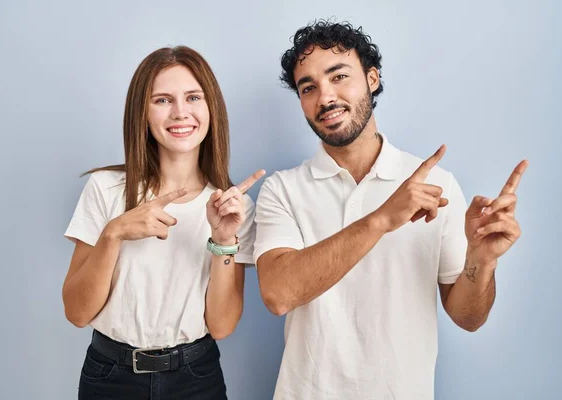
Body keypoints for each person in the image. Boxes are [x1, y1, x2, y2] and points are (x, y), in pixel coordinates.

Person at [254, 20, 528, 399]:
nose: (325, 97)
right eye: (309, 87)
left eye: (339, 76)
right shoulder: (282, 190)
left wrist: (481, 260)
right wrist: (382, 219)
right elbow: (278, 294)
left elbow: (468, 317)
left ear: (372, 78)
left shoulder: (438, 186)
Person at [62, 45, 264, 400]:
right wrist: (114, 233)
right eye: (162, 100)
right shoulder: (107, 189)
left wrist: (224, 241)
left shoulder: (230, 207)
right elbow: (77, 313)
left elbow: (222, 325)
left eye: (193, 97)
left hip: (196, 378)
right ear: (142, 113)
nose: (180, 112)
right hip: (110, 376)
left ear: (211, 109)